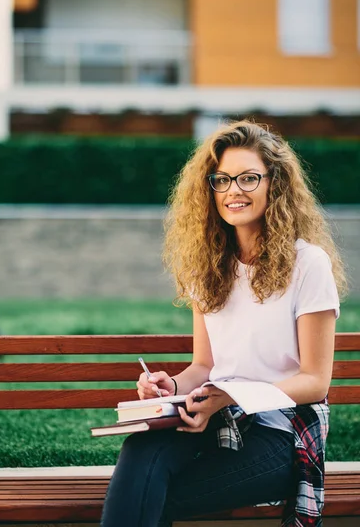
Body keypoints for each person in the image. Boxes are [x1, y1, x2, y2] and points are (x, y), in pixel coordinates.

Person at [100, 120, 346, 527]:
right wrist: (170, 386)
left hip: (282, 433)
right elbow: (204, 367)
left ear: (276, 184)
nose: (234, 190)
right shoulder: (208, 267)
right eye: (223, 180)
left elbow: (315, 382)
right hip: (216, 419)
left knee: (148, 496)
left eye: (249, 178)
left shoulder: (308, 264)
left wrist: (231, 397)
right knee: (142, 451)